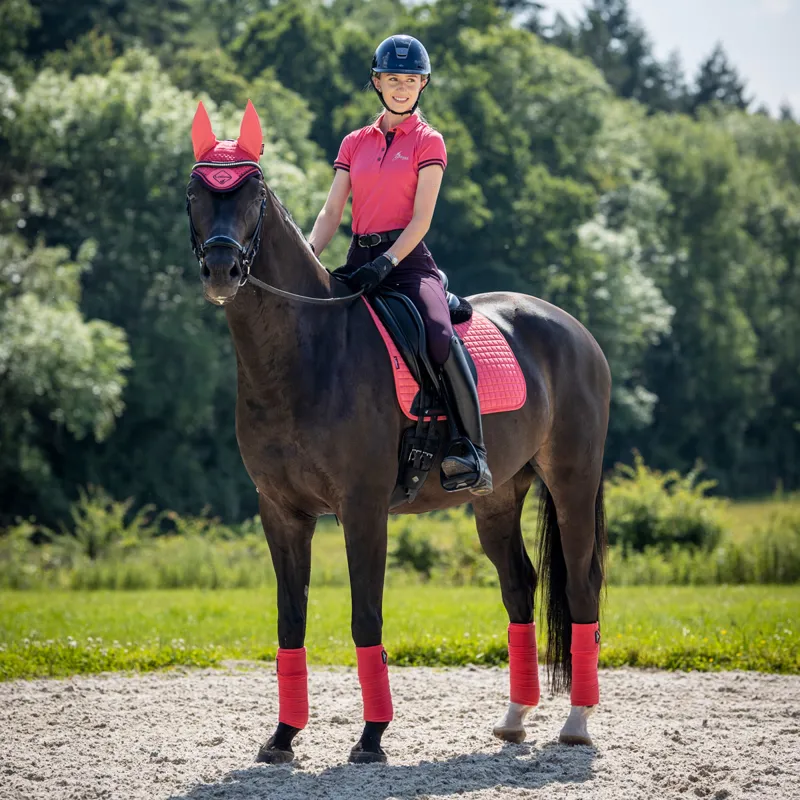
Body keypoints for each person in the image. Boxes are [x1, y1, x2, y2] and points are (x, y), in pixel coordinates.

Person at [308, 34, 492, 496]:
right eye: (393, 78)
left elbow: (422, 219)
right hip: (359, 259)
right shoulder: (354, 142)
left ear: (423, 84)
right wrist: (310, 254)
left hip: (409, 264)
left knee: (438, 334)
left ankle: (472, 448)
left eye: (411, 80)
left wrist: (388, 261)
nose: (402, 87)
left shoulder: (429, 141)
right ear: (377, 82)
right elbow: (333, 212)